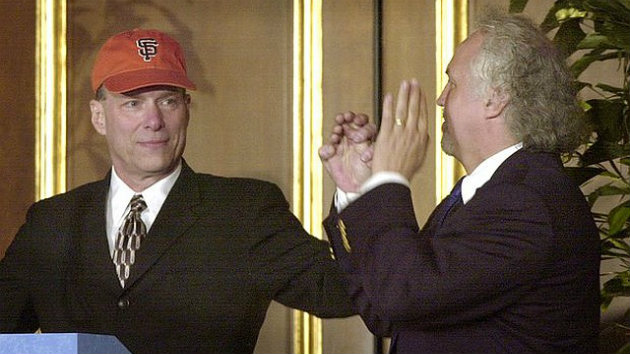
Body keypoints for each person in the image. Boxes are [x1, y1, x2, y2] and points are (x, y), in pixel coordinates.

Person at [0, 28, 355, 354]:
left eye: (168, 101)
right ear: (99, 116)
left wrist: (357, 195)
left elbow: (343, 294)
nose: (153, 121)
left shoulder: (244, 212)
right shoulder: (50, 222)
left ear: (186, 110)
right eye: (133, 103)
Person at [319, 12, 600, 354]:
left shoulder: (524, 201)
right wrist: (357, 188)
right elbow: (388, 312)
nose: (440, 98)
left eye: (452, 82)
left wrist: (388, 181)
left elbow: (403, 298)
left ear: (495, 99)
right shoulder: (494, 191)